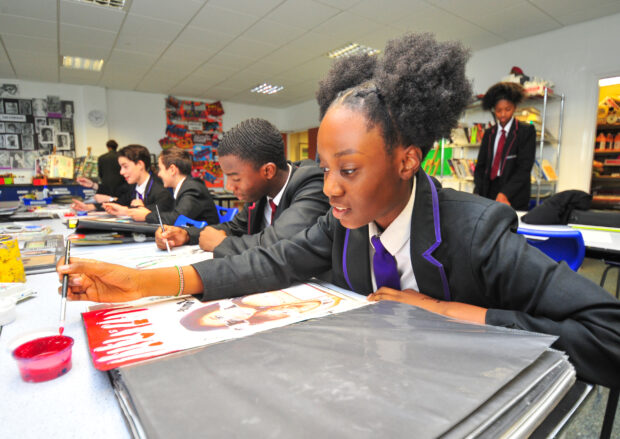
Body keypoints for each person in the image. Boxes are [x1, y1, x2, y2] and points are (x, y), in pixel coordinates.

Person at [58, 33, 620, 388]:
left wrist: (451, 312)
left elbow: (608, 333)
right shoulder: (343, 225)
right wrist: (144, 283)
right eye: (324, 168)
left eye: (347, 170)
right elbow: (268, 264)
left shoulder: (478, 231)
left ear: (406, 161)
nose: (329, 188)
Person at [155, 118, 329, 256]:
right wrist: (186, 235)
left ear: (268, 171)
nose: (230, 187)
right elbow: (235, 228)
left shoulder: (312, 184)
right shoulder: (262, 192)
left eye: (235, 178)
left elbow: (282, 240)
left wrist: (223, 245)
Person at [473, 82, 536, 210]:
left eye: (507, 109)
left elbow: (524, 168)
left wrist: (505, 193)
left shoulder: (526, 131)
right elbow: (480, 166)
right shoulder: (489, 133)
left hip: (513, 194)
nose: (502, 114)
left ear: (514, 107)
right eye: (498, 110)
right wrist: (478, 190)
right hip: (488, 192)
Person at [125, 147, 220, 225]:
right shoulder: (184, 187)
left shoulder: (192, 189)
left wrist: (146, 216)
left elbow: (177, 218)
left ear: (172, 170)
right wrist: (146, 209)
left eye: (160, 169)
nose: (159, 174)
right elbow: (169, 212)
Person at [76, 140, 128, 204]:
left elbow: (100, 173)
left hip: (106, 183)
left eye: (125, 167)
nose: (122, 172)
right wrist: (93, 185)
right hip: (120, 183)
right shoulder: (120, 157)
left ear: (108, 147)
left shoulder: (102, 157)